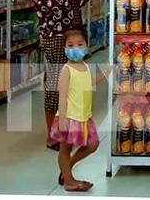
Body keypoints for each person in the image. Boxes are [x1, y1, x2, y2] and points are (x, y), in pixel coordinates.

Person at [34, 0, 92, 150]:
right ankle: (53, 135)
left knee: (70, 82)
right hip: (56, 32)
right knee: (56, 82)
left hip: (72, 32)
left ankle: (66, 130)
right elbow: (41, 3)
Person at [50, 29, 101, 192]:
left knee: (93, 144)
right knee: (65, 148)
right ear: (64, 48)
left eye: (80, 44)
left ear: (87, 46)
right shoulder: (66, 70)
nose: (75, 48)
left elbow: (89, 83)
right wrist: (63, 119)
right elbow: (62, 95)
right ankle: (69, 181)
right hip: (69, 117)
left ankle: (67, 167)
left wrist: (106, 73)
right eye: (70, 45)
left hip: (84, 116)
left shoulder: (85, 66)